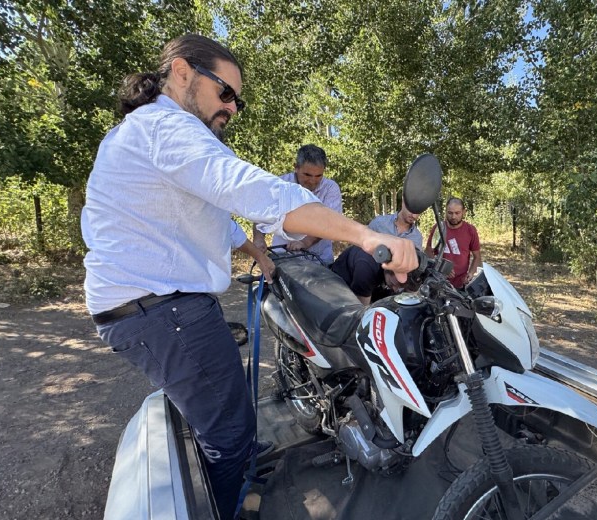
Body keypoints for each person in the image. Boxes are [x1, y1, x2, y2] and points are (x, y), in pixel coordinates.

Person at [81, 34, 417, 520]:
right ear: (181, 73)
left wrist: (258, 254)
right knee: (230, 433)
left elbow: (211, 219)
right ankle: (237, 504)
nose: (233, 108)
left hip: (160, 306)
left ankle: (238, 474)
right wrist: (366, 237)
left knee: (230, 410)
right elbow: (255, 192)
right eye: (225, 93)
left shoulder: (148, 131)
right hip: (161, 310)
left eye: (237, 99)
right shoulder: (168, 128)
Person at [252, 144, 342, 265]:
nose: (312, 181)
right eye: (307, 175)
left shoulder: (330, 188)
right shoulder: (280, 185)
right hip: (283, 257)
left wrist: (305, 242)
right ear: (296, 167)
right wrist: (258, 239)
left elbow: (330, 222)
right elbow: (261, 215)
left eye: (318, 176)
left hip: (320, 259)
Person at [426, 197, 482, 289]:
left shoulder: (470, 230)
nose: (453, 217)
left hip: (460, 284)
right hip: (438, 281)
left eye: (457, 213)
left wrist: (471, 273)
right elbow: (428, 251)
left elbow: (477, 256)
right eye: (450, 213)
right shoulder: (439, 228)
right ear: (446, 212)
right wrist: (441, 266)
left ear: (464, 212)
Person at [330, 245, 410, 304]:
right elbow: (361, 310)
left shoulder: (392, 274)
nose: (395, 289)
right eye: (393, 284)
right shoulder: (367, 268)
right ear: (390, 269)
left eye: (400, 287)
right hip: (339, 284)